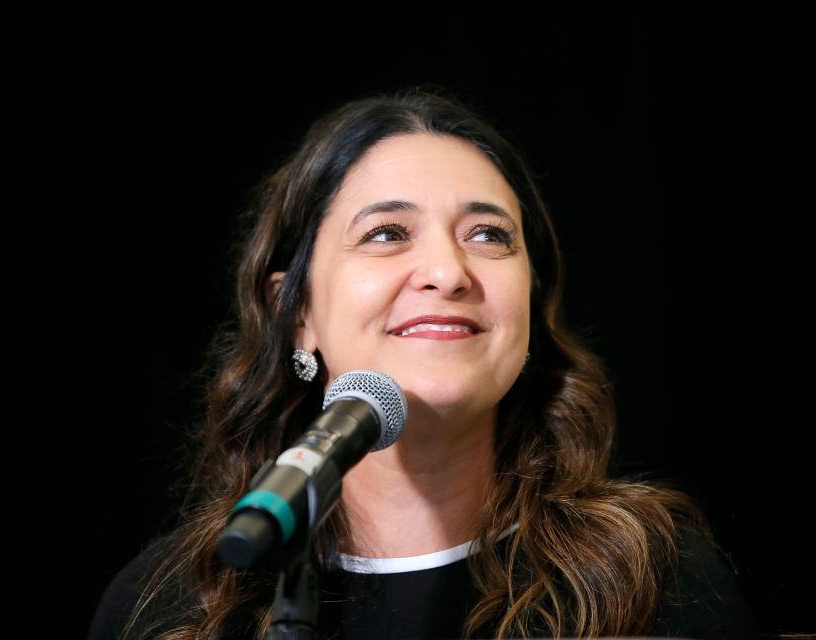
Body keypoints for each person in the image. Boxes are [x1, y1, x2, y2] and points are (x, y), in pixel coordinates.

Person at [88, 85, 756, 639]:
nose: (446, 270)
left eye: (488, 235)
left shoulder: (654, 581)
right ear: (299, 314)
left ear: (530, 307)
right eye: (387, 234)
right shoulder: (167, 605)